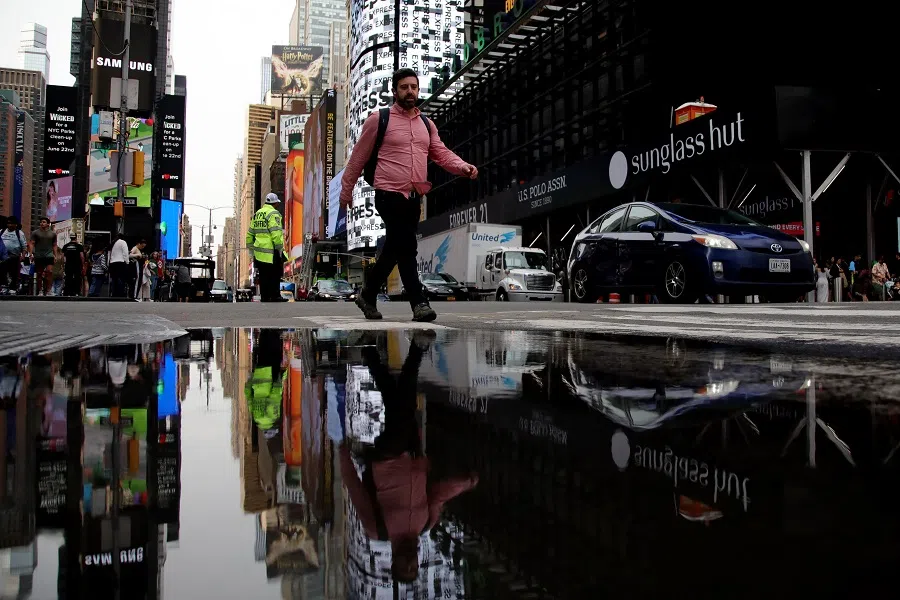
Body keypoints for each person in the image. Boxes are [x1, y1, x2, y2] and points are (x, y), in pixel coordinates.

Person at [340, 68, 478, 323]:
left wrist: (462, 167)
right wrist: (346, 192)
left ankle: (367, 294)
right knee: (407, 247)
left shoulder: (427, 124)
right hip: (387, 193)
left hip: (415, 196)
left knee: (395, 247)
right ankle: (419, 302)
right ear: (395, 91)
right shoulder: (378, 120)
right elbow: (358, 158)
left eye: (413, 86)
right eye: (404, 87)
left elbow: (441, 153)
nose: (410, 91)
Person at [340, 332, 477, 583]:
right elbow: (438, 494)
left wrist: (341, 451)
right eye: (414, 568)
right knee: (396, 403)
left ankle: (417, 349)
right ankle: (369, 351)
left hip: (389, 456)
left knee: (403, 406)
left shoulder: (377, 529)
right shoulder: (426, 525)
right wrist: (464, 483)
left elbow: (355, 488)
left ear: (394, 562)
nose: (411, 562)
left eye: (405, 567)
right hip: (413, 452)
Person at [246, 193, 286, 302]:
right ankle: (275, 295)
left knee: (263, 276)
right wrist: (280, 249)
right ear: (275, 203)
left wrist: (251, 251)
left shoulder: (257, 214)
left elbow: (250, 234)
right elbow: (276, 233)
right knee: (275, 274)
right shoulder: (273, 213)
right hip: (271, 251)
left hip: (259, 253)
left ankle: (265, 296)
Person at [30, 217, 57, 296]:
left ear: (48, 224)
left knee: (49, 272)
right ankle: (40, 291)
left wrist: (55, 255)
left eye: (44, 222)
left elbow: (54, 245)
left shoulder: (53, 234)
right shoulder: (35, 233)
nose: (42, 223)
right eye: (41, 222)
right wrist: (31, 253)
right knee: (39, 273)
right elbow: (32, 243)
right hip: (39, 255)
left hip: (49, 255)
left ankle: (48, 290)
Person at [1, 216, 28, 294]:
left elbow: (24, 246)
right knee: (2, 271)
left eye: (11, 223)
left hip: (14, 256)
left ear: (16, 224)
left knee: (14, 273)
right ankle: (4, 286)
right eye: (8, 223)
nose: (9, 225)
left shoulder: (19, 233)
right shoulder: (2, 231)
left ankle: (13, 288)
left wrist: (23, 256)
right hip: (3, 257)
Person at [109, 233, 131, 298]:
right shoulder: (123, 242)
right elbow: (125, 253)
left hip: (112, 263)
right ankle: (120, 294)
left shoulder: (113, 243)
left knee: (114, 279)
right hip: (120, 262)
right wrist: (127, 262)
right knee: (121, 279)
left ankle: (114, 294)